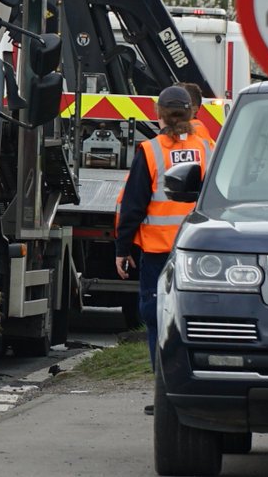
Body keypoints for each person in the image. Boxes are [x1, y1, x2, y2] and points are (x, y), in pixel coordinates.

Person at [115, 85, 212, 415]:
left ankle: (165, 393)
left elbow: (133, 204)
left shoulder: (150, 150)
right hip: (198, 253)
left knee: (158, 319)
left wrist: (122, 248)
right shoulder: (209, 149)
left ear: (158, 116)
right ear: (192, 113)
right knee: (196, 319)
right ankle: (198, 388)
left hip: (158, 254)